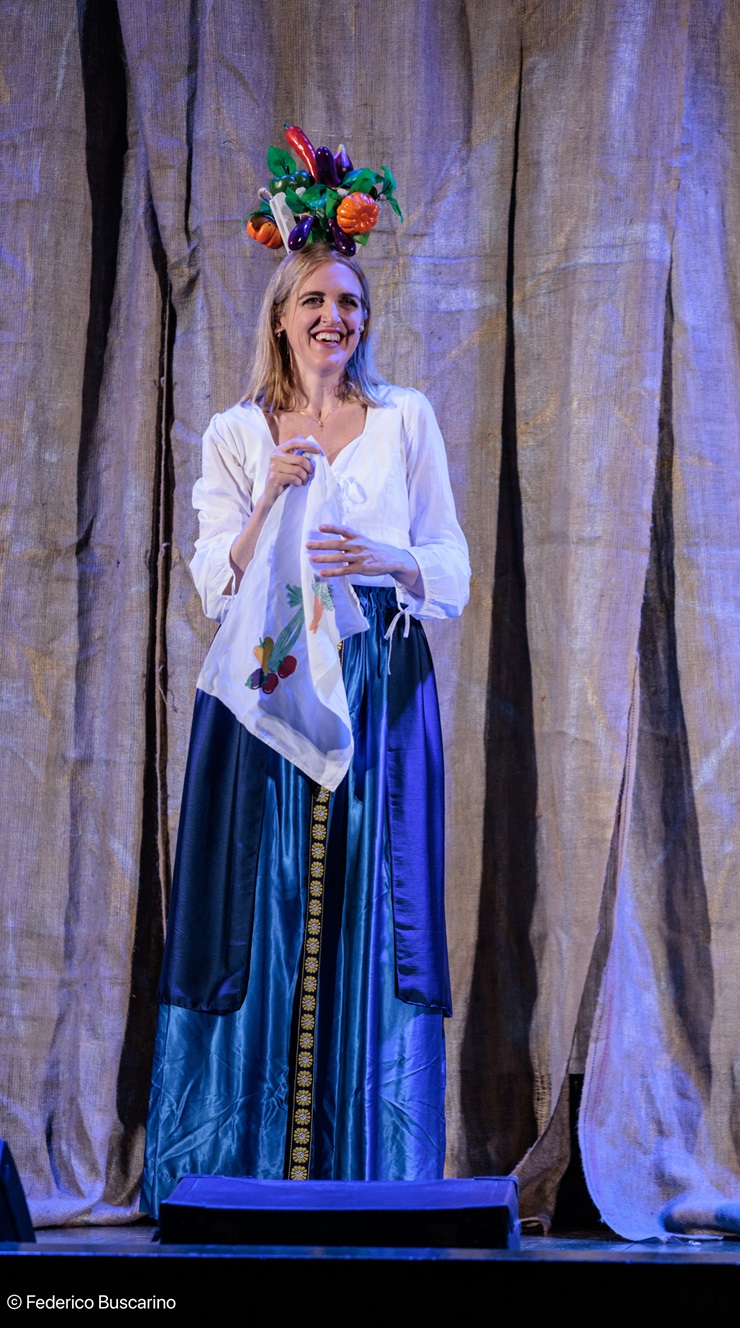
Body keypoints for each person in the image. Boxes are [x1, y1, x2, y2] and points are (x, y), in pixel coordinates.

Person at [141, 238, 470, 1216]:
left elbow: (447, 560)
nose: (335, 318)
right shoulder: (237, 431)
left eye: (350, 303)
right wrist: (271, 496)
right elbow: (216, 579)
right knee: (261, 900)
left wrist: (386, 556)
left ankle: (369, 1175)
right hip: (267, 682)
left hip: (377, 680)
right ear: (281, 318)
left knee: (374, 900)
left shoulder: (404, 417)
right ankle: (239, 1170)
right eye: (316, 301)